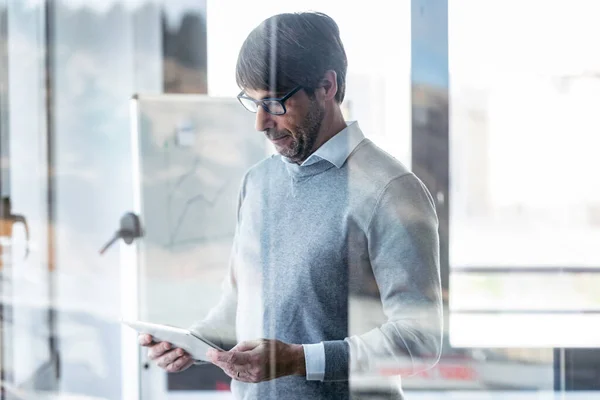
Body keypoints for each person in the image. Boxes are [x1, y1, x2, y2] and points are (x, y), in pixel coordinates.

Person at [139, 11, 442, 400]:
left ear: (326, 86)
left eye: (275, 103)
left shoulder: (390, 190)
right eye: (253, 103)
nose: (261, 123)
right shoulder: (258, 182)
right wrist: (194, 344)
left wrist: (298, 360)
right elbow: (239, 303)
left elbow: (419, 339)